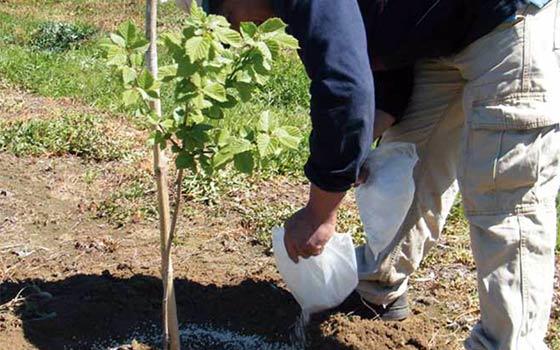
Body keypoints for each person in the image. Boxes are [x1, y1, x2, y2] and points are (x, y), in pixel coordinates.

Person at [193, 0, 560, 348]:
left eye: (225, 12)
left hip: (507, 20)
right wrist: (360, 142)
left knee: (505, 195)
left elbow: (343, 87)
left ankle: (509, 344)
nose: (236, 29)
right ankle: (376, 291)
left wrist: (320, 211)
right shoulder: (287, 13)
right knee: (403, 165)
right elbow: (372, 50)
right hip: (439, 34)